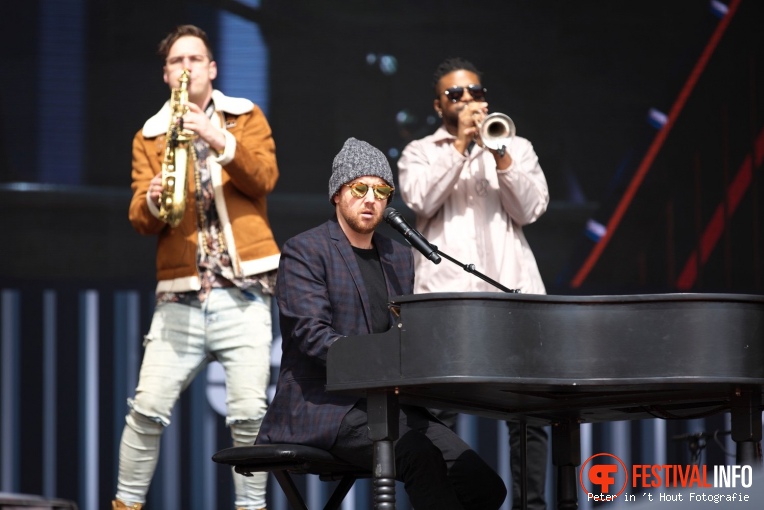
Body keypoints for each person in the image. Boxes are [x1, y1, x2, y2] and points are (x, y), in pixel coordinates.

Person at [256, 137, 507, 509]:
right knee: (419, 457)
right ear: (337, 194)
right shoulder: (306, 250)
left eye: (381, 190)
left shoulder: (399, 256)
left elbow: (404, 336)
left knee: (482, 483)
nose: (371, 198)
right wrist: (383, 364)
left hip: (391, 406)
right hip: (325, 406)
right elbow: (311, 334)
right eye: (360, 188)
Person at [115, 25, 280, 510]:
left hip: (244, 291)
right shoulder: (149, 135)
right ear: (167, 74)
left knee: (250, 415)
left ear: (211, 68)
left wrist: (217, 137)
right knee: (145, 411)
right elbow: (140, 219)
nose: (186, 67)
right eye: (176, 61)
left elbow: (264, 177)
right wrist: (148, 200)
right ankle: (124, 505)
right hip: (181, 295)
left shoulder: (244, 116)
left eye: (195, 58)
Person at [398, 57, 551, 510]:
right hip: (446, 301)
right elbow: (419, 198)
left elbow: (531, 209)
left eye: (476, 92)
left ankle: (534, 505)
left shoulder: (514, 144)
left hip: (513, 296)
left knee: (530, 412)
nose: (468, 100)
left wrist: (498, 153)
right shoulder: (420, 151)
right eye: (455, 94)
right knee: (439, 412)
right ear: (438, 105)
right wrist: (462, 148)